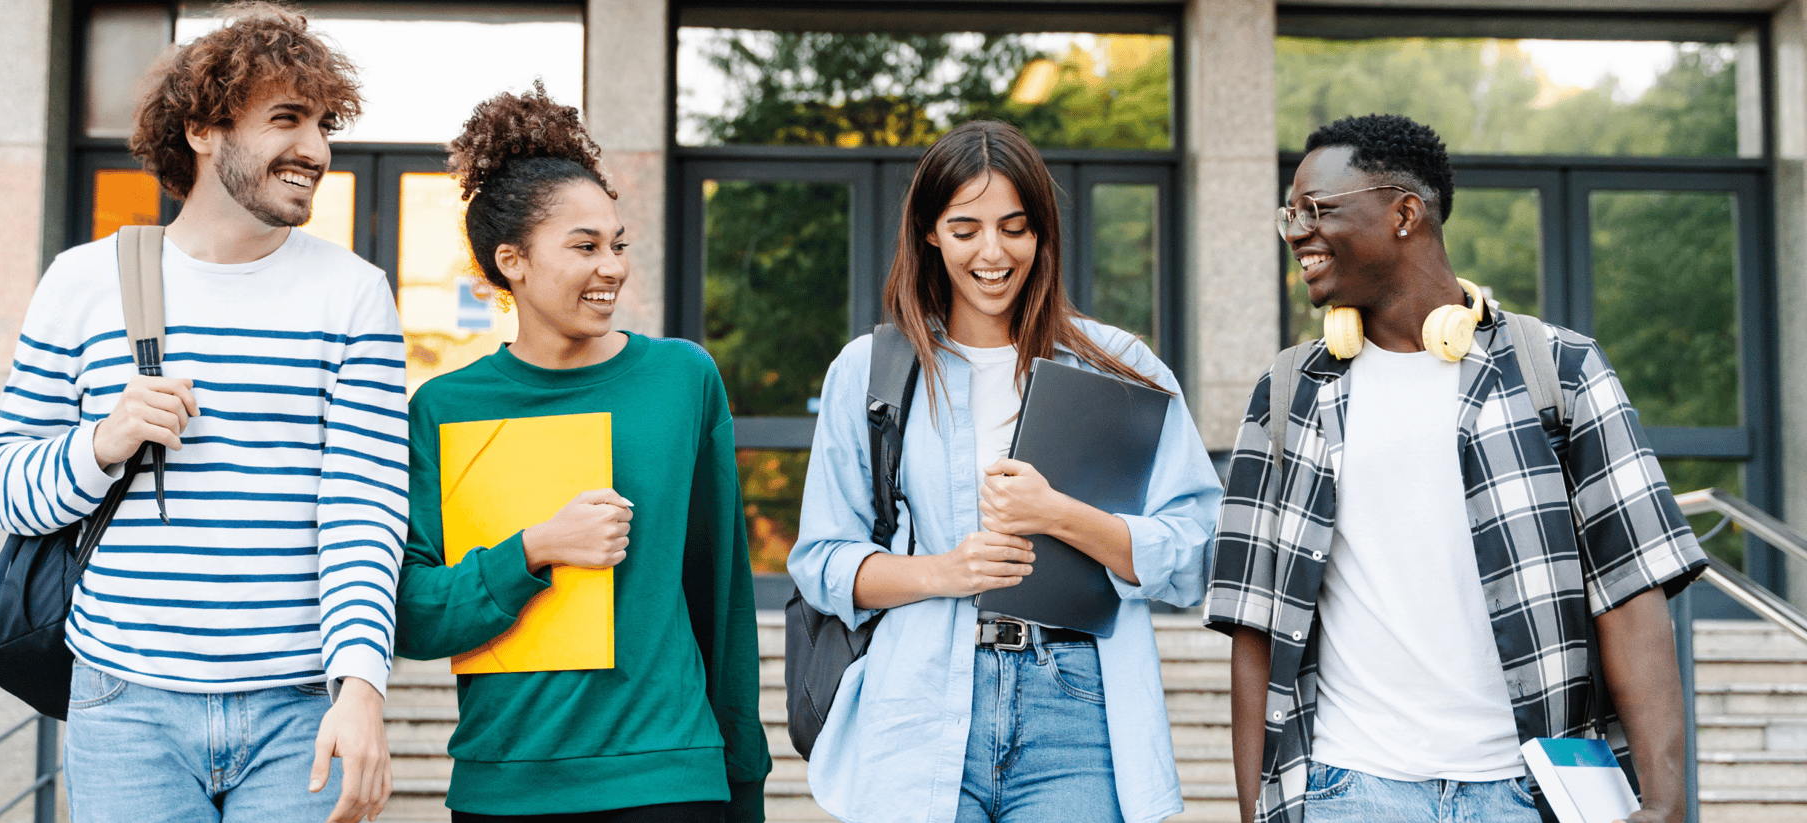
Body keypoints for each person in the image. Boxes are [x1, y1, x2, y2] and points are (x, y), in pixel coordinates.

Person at [1206, 114, 1706, 823]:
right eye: (1289, 212)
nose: (1294, 232)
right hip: (1349, 792)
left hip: (1531, 794)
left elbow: (1631, 593)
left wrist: (1663, 800)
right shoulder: (1289, 394)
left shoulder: (1559, 371)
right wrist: (1257, 811)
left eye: (1315, 209)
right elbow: (1254, 627)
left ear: (1406, 212)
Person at [0, 5, 402, 822]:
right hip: (123, 704)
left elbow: (364, 509)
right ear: (205, 128)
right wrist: (101, 444)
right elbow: (4, 484)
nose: (315, 149)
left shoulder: (353, 293)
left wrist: (361, 686)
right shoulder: (84, 280)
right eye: (287, 120)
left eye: (323, 125)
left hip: (298, 708)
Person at [789, 120, 1222, 823]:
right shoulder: (870, 372)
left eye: (1015, 228)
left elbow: (1199, 547)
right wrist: (947, 571)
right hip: (918, 699)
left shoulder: (1120, 368)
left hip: (1077, 704)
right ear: (929, 231)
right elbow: (824, 562)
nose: (993, 253)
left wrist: (1060, 515)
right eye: (966, 229)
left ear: (1041, 233)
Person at [393, 82, 770, 823]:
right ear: (513, 261)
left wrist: (743, 778)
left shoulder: (681, 380)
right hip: (506, 783)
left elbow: (719, 596)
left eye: (618, 244)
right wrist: (534, 548)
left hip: (667, 777)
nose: (613, 267)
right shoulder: (443, 408)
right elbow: (410, 614)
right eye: (585, 246)